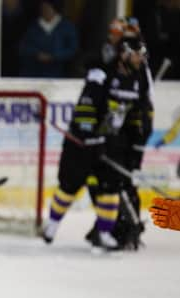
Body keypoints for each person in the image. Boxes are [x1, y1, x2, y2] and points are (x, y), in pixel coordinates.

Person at [42, 32, 149, 250]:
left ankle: (104, 233)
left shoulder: (137, 81)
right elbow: (86, 106)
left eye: (142, 54)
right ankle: (51, 226)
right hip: (82, 143)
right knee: (69, 186)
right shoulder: (100, 74)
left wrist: (134, 150)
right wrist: (90, 136)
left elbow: (136, 116)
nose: (140, 59)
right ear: (124, 55)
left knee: (111, 188)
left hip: (111, 142)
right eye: (137, 54)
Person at [83, 17, 154, 250]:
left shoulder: (140, 72)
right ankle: (107, 227)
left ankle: (123, 229)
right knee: (99, 183)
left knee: (121, 184)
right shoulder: (107, 68)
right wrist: (94, 135)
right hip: (105, 137)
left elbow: (142, 113)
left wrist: (137, 149)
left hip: (123, 139)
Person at [18, 0, 78, 78]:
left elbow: (73, 49)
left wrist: (54, 56)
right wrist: (37, 54)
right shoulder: (32, 27)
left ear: (55, 8)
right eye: (43, 8)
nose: (45, 10)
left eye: (48, 8)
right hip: (33, 73)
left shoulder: (67, 27)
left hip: (59, 74)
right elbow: (23, 47)